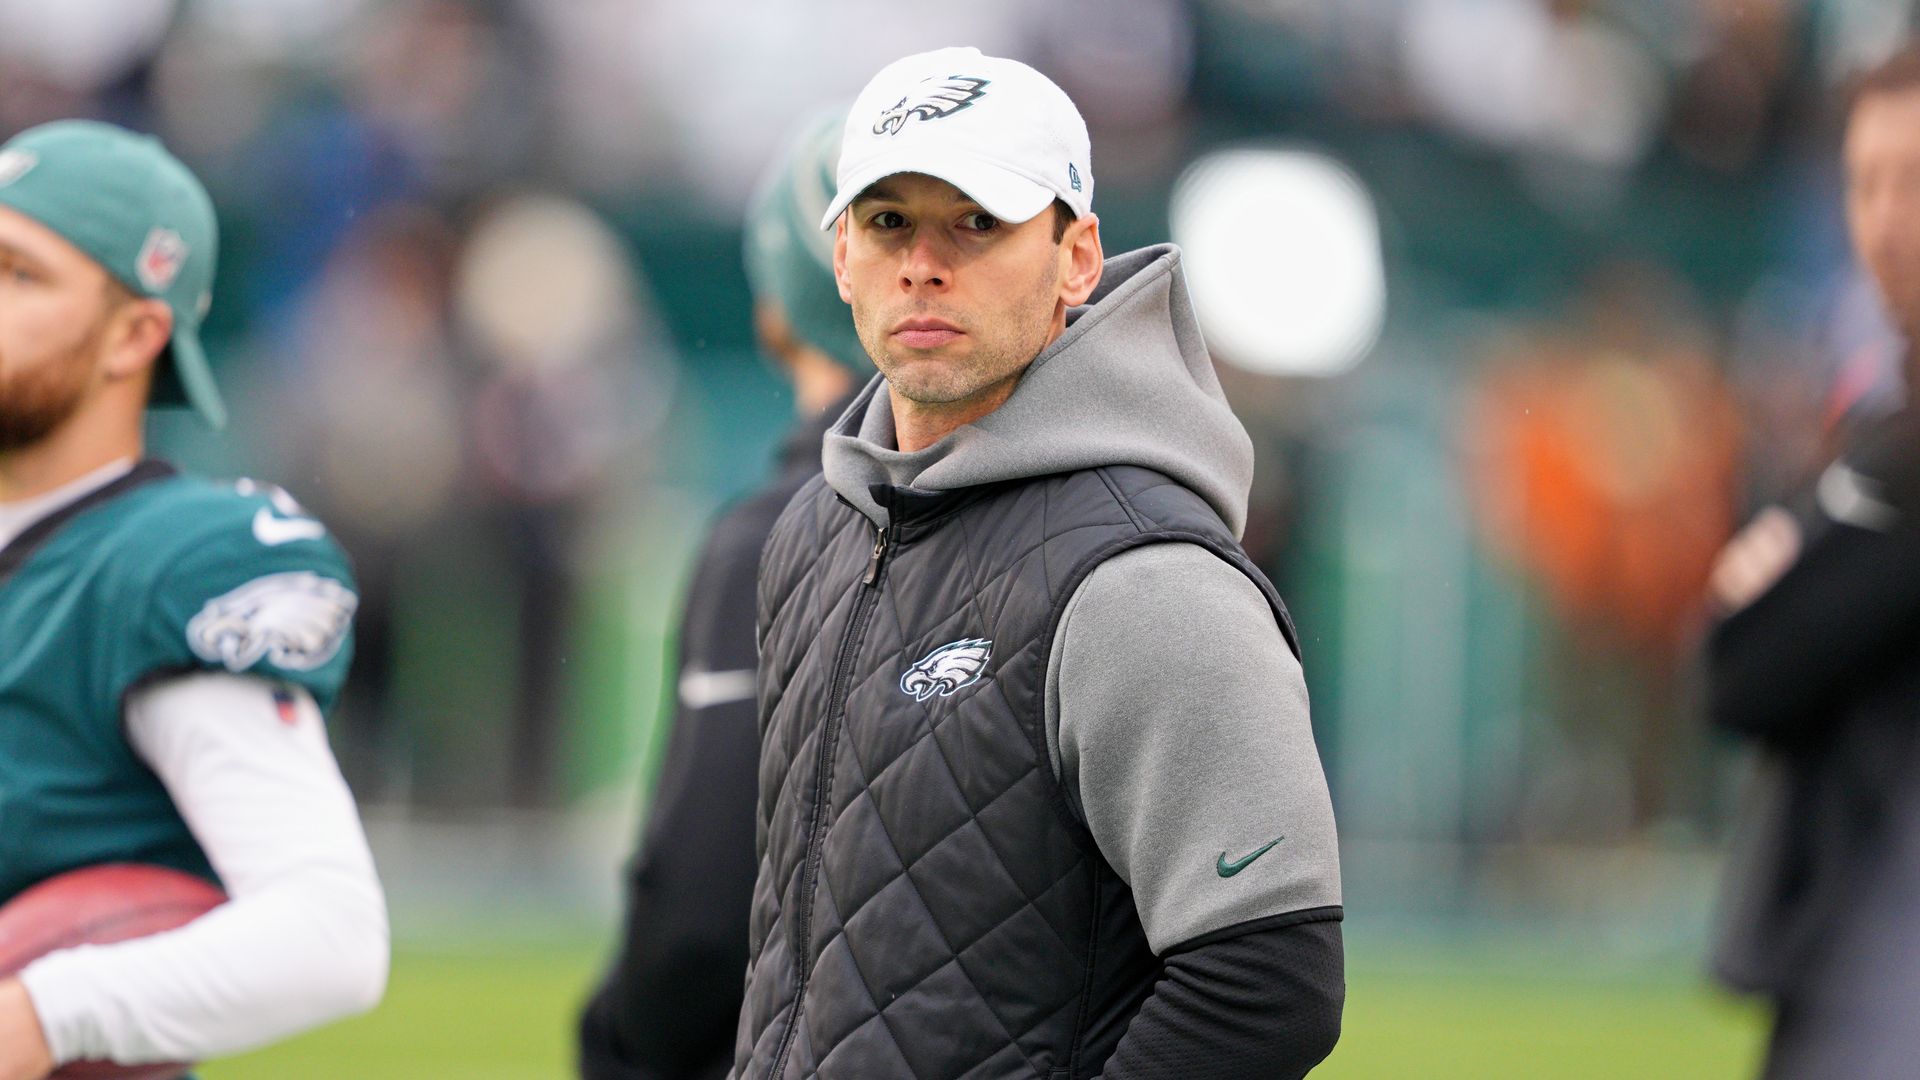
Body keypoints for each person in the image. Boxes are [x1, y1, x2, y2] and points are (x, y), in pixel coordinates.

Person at [732, 48, 1343, 1080]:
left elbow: (1268, 981)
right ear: (841, 258)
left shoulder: (1148, 581)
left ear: (1078, 256)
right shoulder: (814, 530)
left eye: (978, 222)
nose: (924, 264)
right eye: (888, 222)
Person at [0, 120, 387, 1079]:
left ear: (135, 334)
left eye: (18, 273)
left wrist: (43, 1012)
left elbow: (330, 934)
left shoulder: (160, 569)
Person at [577, 115, 872, 1080]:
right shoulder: (1059, 508)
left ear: (774, 316)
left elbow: (698, 920)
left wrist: (616, 1042)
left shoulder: (776, 537)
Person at [1706, 43, 1920, 1080]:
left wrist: (1787, 573)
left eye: (1914, 181)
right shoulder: (1882, 430)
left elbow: (1749, 662)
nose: (1886, 220)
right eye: (1864, 182)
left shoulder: (1900, 453)